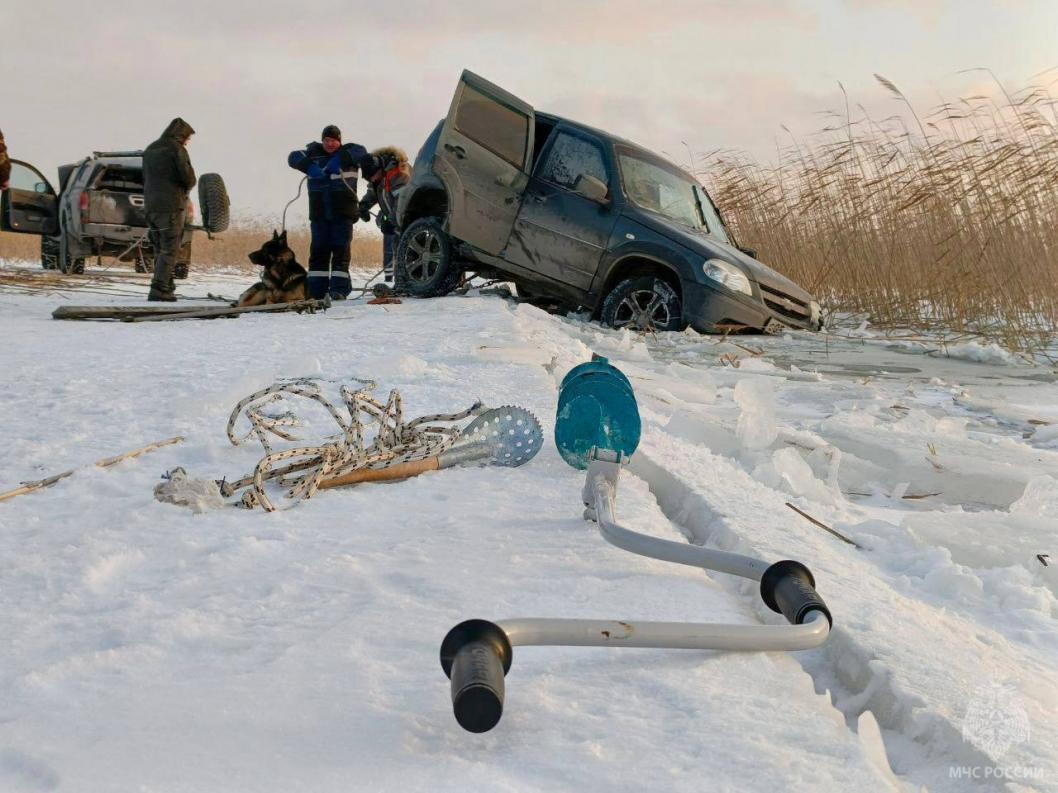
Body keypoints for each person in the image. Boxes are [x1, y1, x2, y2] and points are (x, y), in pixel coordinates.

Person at [288, 126, 367, 299]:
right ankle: (317, 291)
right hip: (319, 213)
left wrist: (339, 160)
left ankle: (339, 290)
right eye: (326, 140)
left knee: (341, 251)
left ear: (339, 141)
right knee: (318, 252)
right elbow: (293, 157)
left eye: (333, 140)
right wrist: (309, 167)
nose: (330, 144)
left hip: (343, 213)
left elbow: (362, 152)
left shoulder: (351, 153)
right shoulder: (312, 154)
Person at [143, 118, 196, 301]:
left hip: (150, 206)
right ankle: (159, 289)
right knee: (170, 248)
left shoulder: (150, 148)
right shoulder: (176, 149)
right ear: (180, 134)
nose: (187, 141)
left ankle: (167, 284)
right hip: (171, 206)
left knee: (159, 247)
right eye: (187, 137)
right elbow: (188, 178)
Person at [357, 147, 411, 282]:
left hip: (409, 220)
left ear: (379, 168)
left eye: (373, 177)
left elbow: (402, 203)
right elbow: (373, 192)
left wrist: (390, 221)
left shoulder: (400, 174)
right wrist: (364, 205)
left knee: (408, 251)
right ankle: (401, 283)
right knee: (398, 251)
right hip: (396, 221)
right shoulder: (377, 176)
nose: (372, 180)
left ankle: (412, 283)